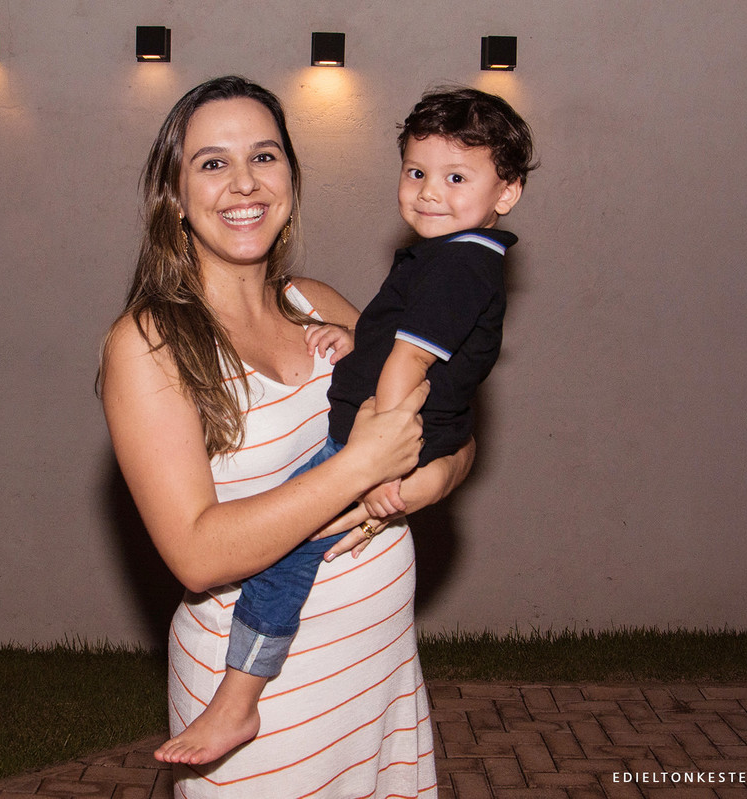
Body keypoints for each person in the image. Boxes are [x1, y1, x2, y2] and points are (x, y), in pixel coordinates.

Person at [99, 76, 475, 796]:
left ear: (291, 180)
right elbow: (196, 554)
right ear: (175, 194)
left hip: (381, 677)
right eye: (213, 163)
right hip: (269, 713)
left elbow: (448, 424)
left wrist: (433, 480)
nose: (244, 183)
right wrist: (359, 468)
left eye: (264, 157)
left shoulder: (318, 303)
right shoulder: (149, 343)